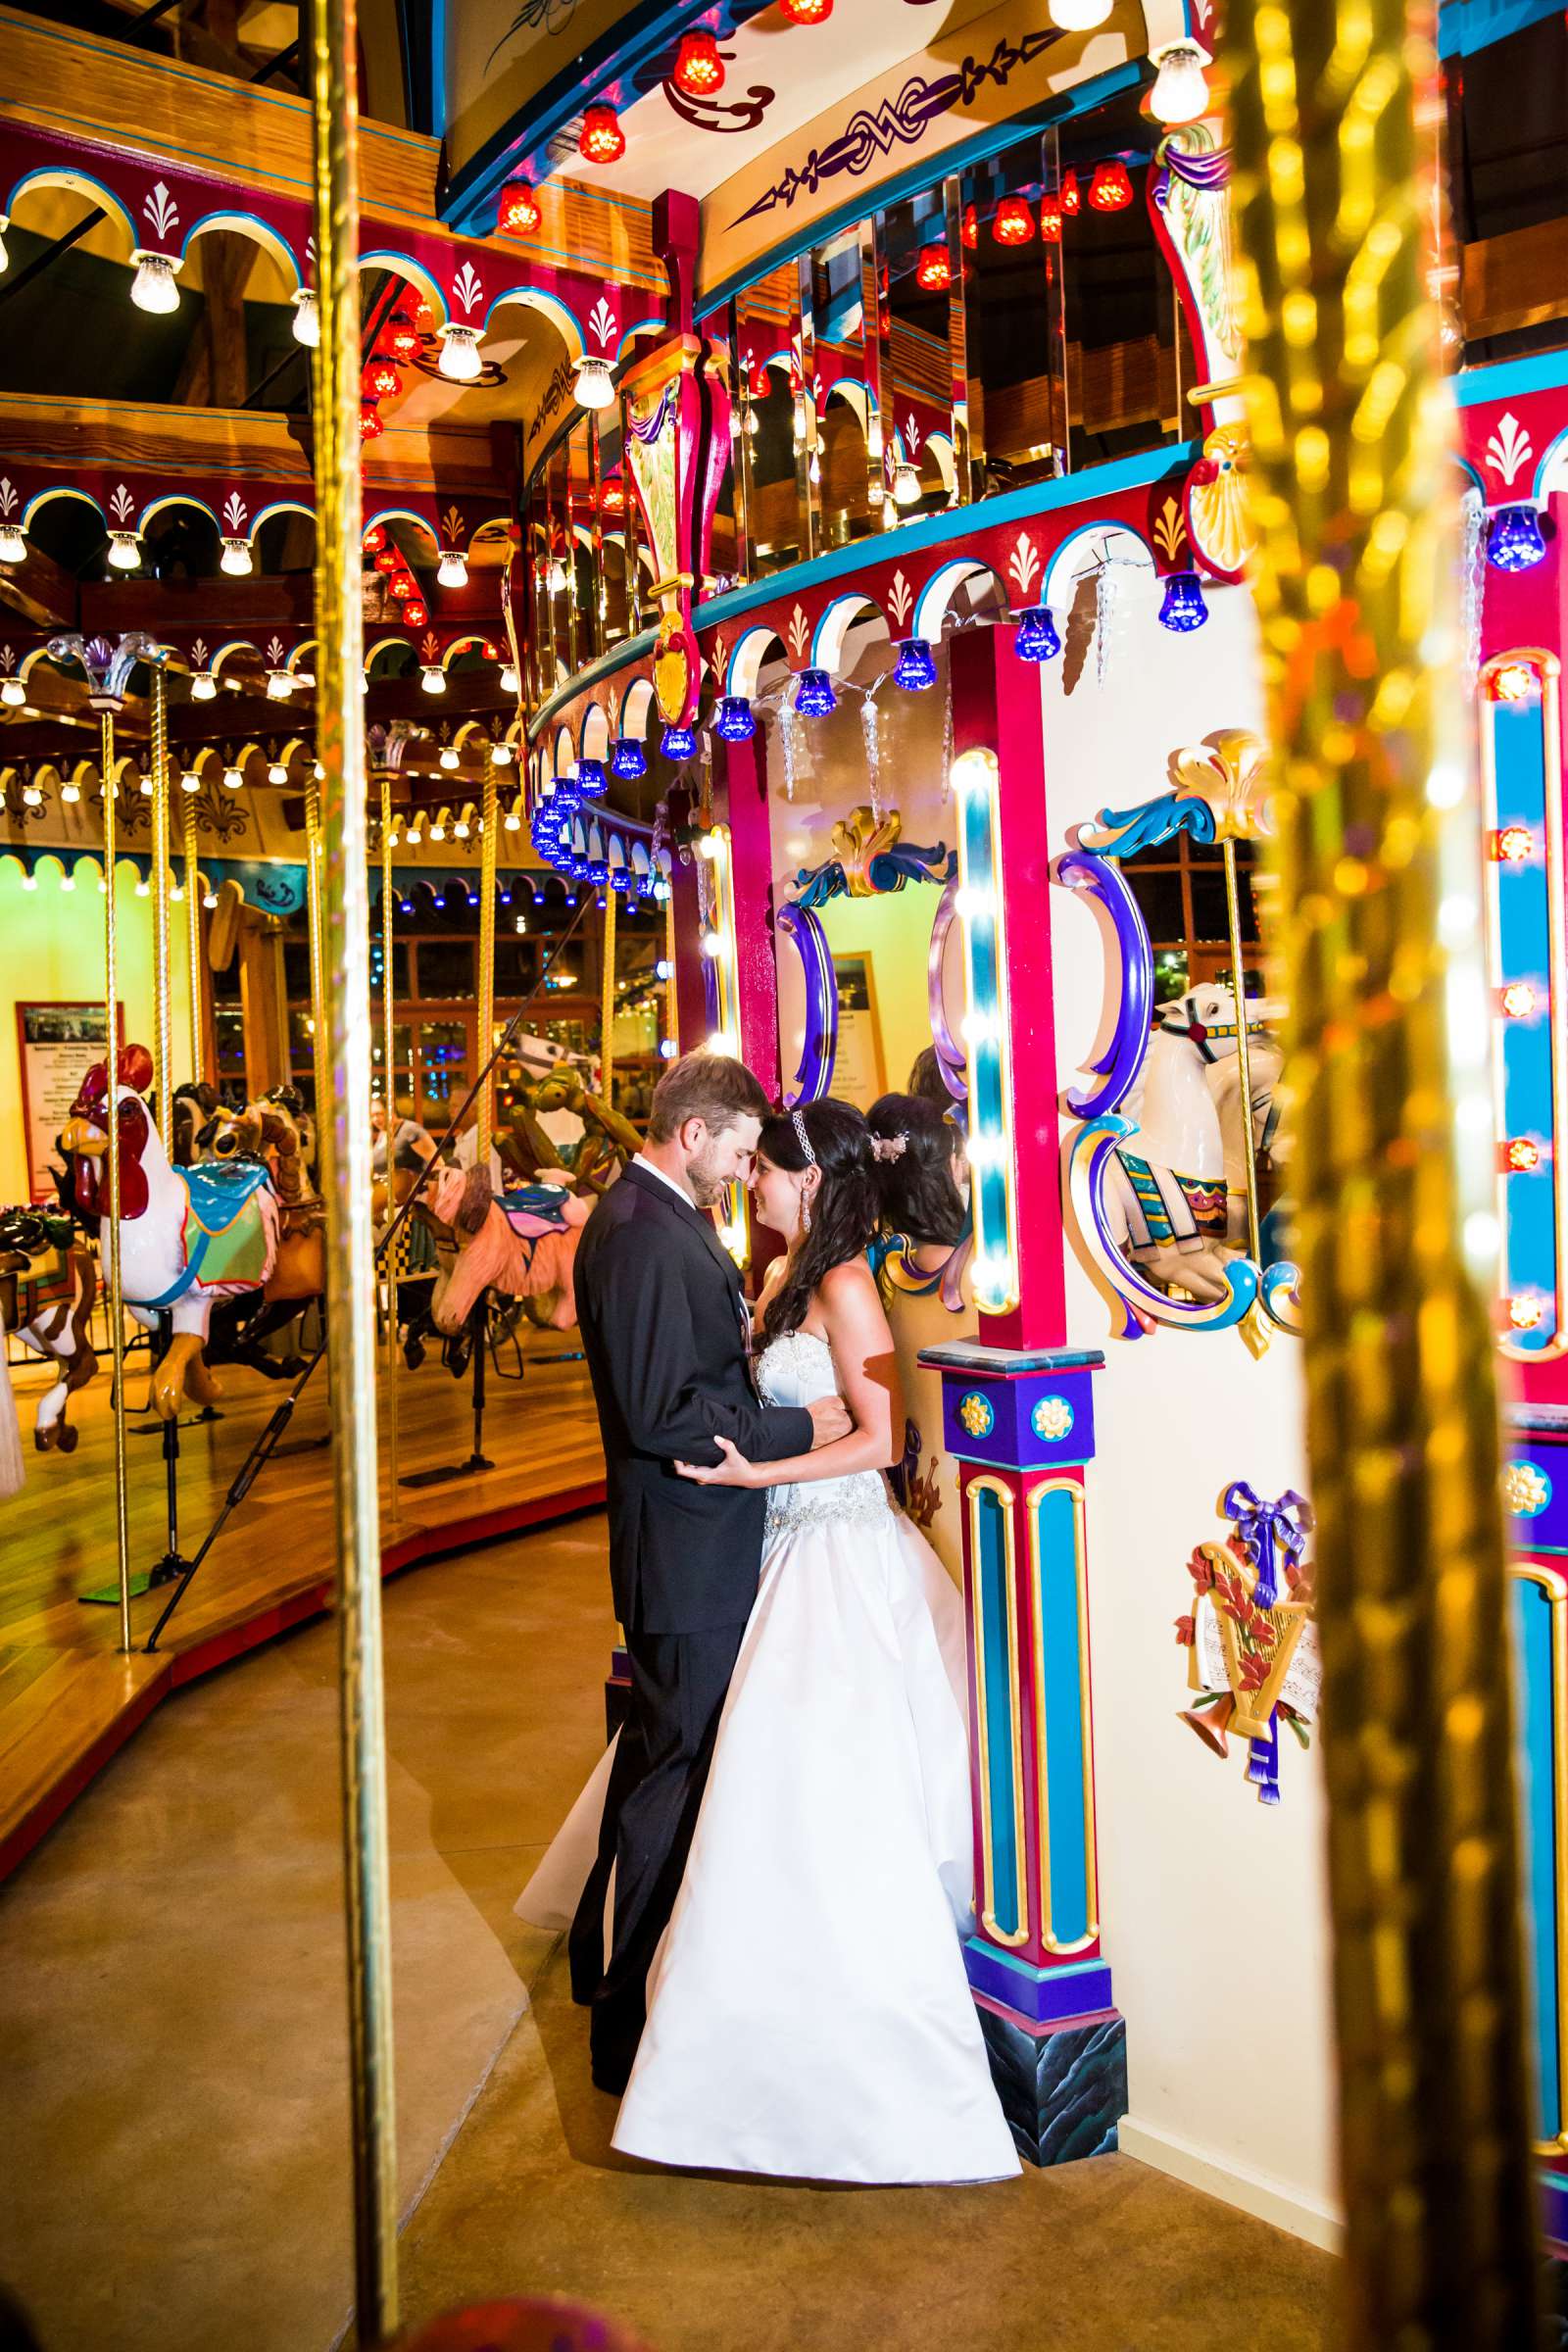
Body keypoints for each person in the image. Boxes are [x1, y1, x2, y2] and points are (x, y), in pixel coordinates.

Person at [590, 1098, 1017, 2183]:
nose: (751, 1185)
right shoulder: (784, 1278)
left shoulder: (844, 1285)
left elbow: (878, 1442)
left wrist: (758, 1469)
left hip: (828, 1550)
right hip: (770, 1549)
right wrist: (772, 1448)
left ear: (809, 1181)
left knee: (814, 1787)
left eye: (765, 1171)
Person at [564, 1054, 852, 2095]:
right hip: (683, 1552)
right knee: (666, 1779)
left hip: (703, 1545)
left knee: (674, 1772)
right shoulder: (640, 1234)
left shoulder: (662, 1220)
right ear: (694, 1134)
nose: (740, 1168)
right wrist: (797, 1423)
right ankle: (616, 2008)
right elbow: (660, 1413)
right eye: (735, 1148)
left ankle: (634, 1984)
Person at [866, 1090, 975, 1580]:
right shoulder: (976, 1266)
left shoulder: (874, 1263)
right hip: (961, 1468)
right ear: (948, 1167)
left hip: (900, 1470)